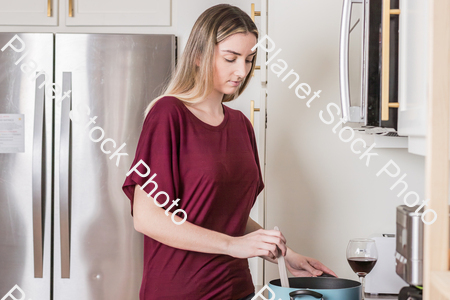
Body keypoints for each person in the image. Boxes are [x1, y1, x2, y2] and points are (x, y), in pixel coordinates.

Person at [122, 4, 337, 300]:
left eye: (249, 60)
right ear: (198, 56)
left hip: (236, 290)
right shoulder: (169, 114)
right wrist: (233, 246)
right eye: (230, 58)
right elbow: (147, 218)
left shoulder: (241, 125)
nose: (242, 71)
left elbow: (227, 213)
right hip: (180, 291)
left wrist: (285, 255)